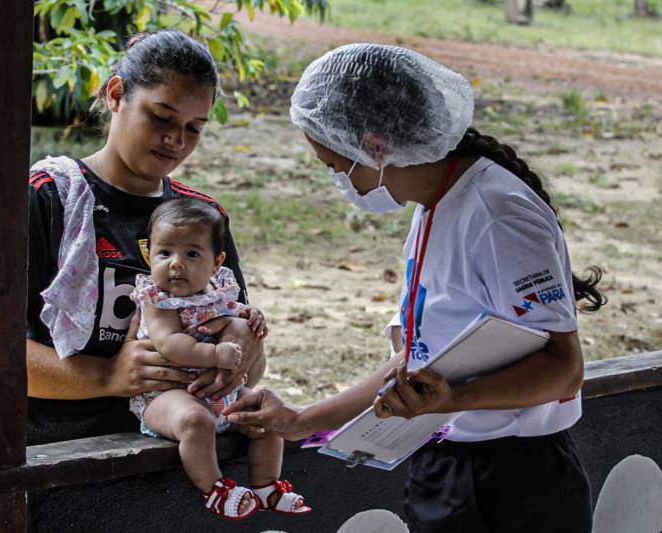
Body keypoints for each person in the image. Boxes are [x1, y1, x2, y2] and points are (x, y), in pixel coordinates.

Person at [223, 43, 605, 533]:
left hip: (512, 480)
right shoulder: (432, 204)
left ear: (377, 147)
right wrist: (303, 419)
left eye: (336, 166)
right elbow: (419, 363)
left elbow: (563, 370)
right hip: (447, 462)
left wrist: (451, 399)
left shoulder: (497, 213)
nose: (340, 182)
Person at [26, 29, 264, 446]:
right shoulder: (47, 199)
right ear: (117, 96)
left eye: (195, 128)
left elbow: (245, 354)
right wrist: (106, 376)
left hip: (183, 459)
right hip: (63, 455)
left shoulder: (201, 216)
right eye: (162, 117)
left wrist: (242, 350)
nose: (177, 141)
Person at [128, 197, 309, 520]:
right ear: (148, 255)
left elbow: (232, 313)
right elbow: (170, 344)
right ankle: (215, 489)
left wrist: (252, 316)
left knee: (267, 414)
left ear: (216, 262)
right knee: (195, 422)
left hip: (221, 394)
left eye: (192, 253)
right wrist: (215, 353)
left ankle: (266, 485)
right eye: (164, 253)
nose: (175, 263)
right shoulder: (157, 300)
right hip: (165, 395)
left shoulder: (218, 288)